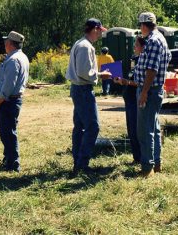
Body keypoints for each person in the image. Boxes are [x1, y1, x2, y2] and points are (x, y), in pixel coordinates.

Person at [66, 18, 111, 174]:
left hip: (78, 89)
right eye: (99, 31)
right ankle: (82, 163)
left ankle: (78, 162)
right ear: (94, 29)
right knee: (93, 127)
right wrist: (101, 74)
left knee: (79, 127)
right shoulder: (86, 47)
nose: (100, 34)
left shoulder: (80, 43)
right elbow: (85, 73)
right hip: (83, 90)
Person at [134, 12, 171, 177]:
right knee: (154, 127)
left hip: (150, 90)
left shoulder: (153, 41)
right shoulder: (159, 39)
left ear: (143, 25)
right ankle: (156, 163)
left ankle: (147, 167)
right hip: (153, 90)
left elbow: (152, 70)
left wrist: (144, 92)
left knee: (145, 129)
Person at [0, 31, 29, 172]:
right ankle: (8, 159)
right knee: (9, 132)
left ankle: (13, 165)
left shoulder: (14, 59)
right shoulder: (21, 57)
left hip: (8, 101)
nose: (4, 44)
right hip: (12, 101)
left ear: (10, 43)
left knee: (7, 134)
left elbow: (9, 84)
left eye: (5, 41)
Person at [113, 36, 146, 164]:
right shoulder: (134, 59)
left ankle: (140, 157)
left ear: (143, 47)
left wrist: (126, 81)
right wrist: (120, 80)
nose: (134, 47)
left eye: (136, 45)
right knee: (131, 129)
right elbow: (131, 76)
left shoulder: (143, 60)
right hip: (129, 97)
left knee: (136, 129)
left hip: (135, 97)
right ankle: (136, 156)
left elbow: (140, 82)